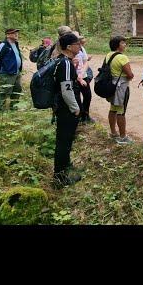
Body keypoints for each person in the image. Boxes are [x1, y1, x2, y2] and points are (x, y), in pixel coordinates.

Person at [52, 32, 83, 188]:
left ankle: (65, 167)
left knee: (65, 140)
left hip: (64, 108)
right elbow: (66, 89)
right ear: (69, 47)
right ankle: (59, 177)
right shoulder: (65, 63)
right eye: (77, 43)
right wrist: (75, 108)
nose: (80, 45)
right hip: (66, 110)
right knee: (64, 141)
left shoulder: (64, 61)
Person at [105, 36, 135, 144]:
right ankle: (123, 137)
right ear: (118, 45)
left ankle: (113, 132)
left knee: (113, 108)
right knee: (121, 111)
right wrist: (131, 76)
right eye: (123, 43)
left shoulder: (109, 55)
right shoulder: (122, 57)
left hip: (111, 85)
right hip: (121, 87)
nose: (125, 45)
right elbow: (130, 74)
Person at [0, 28, 24, 112]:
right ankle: (0, 109)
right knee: (5, 91)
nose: (16, 34)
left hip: (16, 72)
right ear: (7, 35)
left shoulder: (15, 44)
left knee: (17, 90)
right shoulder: (3, 45)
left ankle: (14, 107)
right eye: (13, 33)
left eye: (17, 33)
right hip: (6, 73)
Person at [74, 34, 94, 124]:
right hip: (74, 78)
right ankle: (79, 116)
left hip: (83, 76)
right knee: (77, 97)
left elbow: (85, 62)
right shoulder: (70, 50)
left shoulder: (81, 48)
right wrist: (79, 78)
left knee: (87, 96)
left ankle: (86, 115)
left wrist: (82, 75)